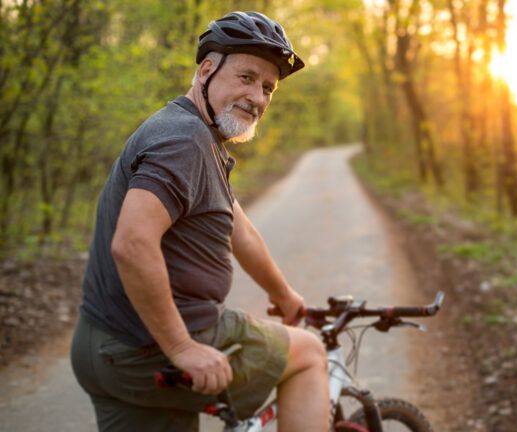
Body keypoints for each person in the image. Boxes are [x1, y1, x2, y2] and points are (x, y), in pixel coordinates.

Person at [70, 11, 329, 432]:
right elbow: (132, 243)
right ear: (207, 69)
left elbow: (238, 228)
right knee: (309, 356)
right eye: (246, 77)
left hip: (101, 348)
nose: (258, 97)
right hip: (150, 346)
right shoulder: (185, 141)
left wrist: (284, 295)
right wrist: (181, 346)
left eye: (268, 88)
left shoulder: (192, 135)